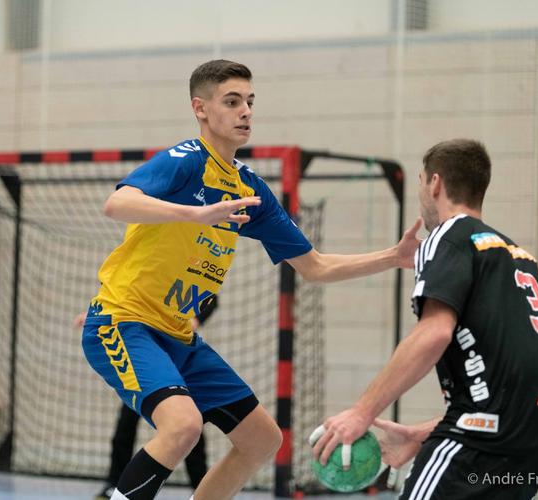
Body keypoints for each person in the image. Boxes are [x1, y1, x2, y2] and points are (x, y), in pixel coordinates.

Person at [80, 59, 421, 500]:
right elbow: (118, 203)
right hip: (123, 322)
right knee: (182, 426)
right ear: (200, 109)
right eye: (232, 101)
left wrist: (393, 257)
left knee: (262, 439)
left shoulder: (250, 190)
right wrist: (194, 214)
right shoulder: (186, 161)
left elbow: (315, 266)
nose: (245, 111)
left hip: (178, 335)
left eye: (250, 102)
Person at [311, 139, 538, 499]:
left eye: (421, 181)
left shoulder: (447, 237)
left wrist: (361, 412)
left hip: (489, 435)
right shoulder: (517, 254)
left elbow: (435, 333)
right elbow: (516, 374)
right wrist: (423, 433)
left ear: (435, 183)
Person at [91, 298, 217, 500]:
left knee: (188, 426)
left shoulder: (186, 287)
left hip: (176, 357)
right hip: (146, 361)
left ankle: (200, 487)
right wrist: (99, 317)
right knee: (126, 424)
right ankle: (113, 484)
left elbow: (212, 300)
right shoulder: (147, 290)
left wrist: (196, 320)